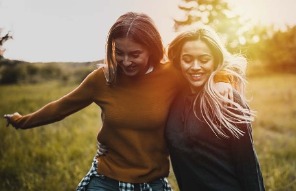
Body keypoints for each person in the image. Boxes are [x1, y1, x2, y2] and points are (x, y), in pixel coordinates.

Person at [3, 12, 233, 191]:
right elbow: (61, 107)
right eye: (119, 52)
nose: (125, 61)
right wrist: (22, 121)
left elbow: (203, 68)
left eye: (135, 54)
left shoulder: (170, 75)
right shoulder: (102, 78)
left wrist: (222, 80)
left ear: (151, 49)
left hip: (152, 182)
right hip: (106, 179)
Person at [165, 26, 265, 191]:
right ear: (178, 60)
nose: (195, 66)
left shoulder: (226, 99)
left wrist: (222, 79)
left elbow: (247, 165)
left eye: (204, 59)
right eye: (187, 59)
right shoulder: (173, 95)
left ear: (215, 61)